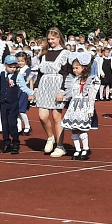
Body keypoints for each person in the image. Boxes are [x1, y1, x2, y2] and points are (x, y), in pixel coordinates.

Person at [35, 27, 72, 157]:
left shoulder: (65, 53)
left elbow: (66, 73)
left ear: (59, 38)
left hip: (58, 85)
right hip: (45, 85)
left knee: (57, 117)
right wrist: (35, 88)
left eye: (53, 39)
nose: (50, 41)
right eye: (49, 39)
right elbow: (39, 73)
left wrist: (62, 90)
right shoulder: (44, 53)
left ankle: (60, 146)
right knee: (42, 116)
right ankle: (50, 137)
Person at [59, 52, 100, 160]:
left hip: (84, 106)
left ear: (84, 67)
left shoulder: (90, 80)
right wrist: (63, 97)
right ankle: (77, 149)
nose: (74, 70)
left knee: (82, 129)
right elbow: (70, 93)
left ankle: (85, 148)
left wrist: (91, 108)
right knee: (74, 128)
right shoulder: (73, 80)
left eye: (77, 68)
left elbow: (91, 95)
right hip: (74, 106)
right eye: (73, 68)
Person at [0, 54, 34, 154]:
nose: (12, 69)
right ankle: (6, 143)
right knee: (5, 124)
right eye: (10, 66)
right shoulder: (0, 75)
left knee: (12, 123)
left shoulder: (18, 75)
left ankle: (16, 143)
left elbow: (23, 87)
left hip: (13, 103)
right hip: (3, 103)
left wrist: (32, 93)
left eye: (14, 67)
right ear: (5, 65)